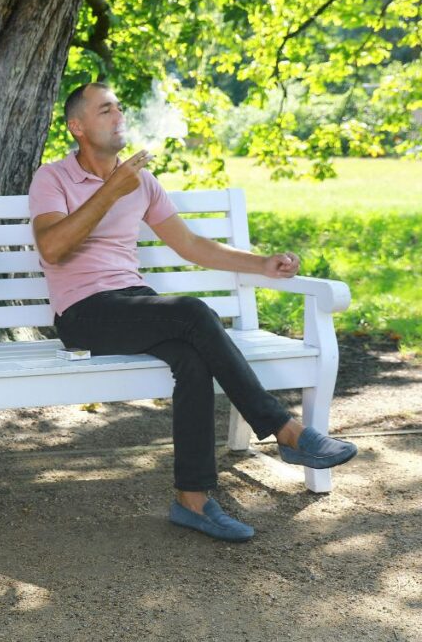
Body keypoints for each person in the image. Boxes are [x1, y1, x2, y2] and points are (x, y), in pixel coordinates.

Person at [27, 82, 357, 542]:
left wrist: (260, 264)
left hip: (133, 301)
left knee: (192, 356)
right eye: (106, 109)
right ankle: (284, 429)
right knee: (195, 313)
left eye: (120, 106)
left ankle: (193, 500)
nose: (119, 114)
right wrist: (110, 191)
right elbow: (53, 248)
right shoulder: (53, 178)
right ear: (77, 127)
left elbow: (191, 244)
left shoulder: (140, 181)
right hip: (83, 313)